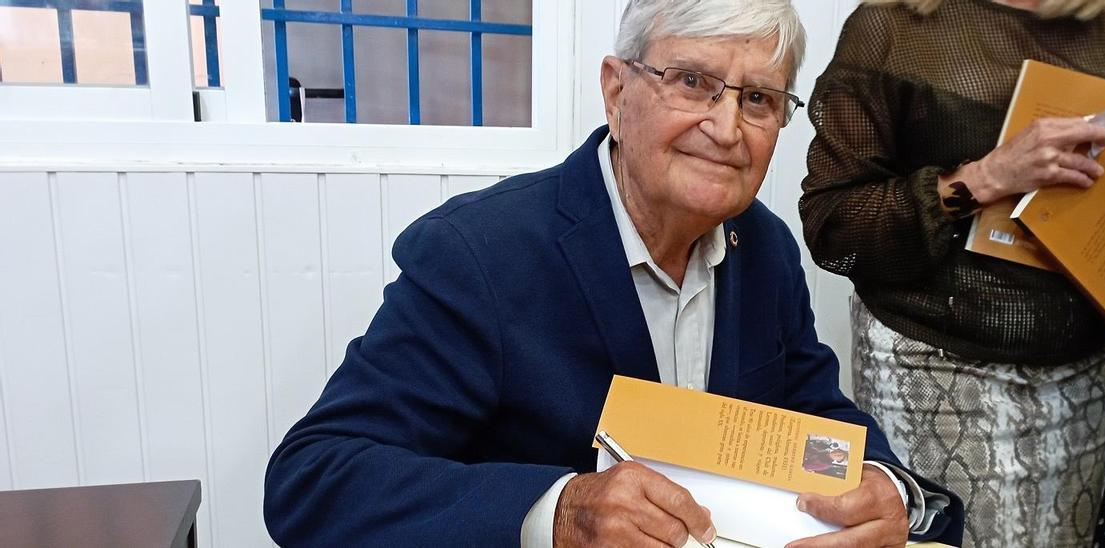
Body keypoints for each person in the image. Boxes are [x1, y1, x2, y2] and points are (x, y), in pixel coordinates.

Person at [263, 1, 964, 547]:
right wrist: (556, 513)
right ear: (614, 91)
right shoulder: (480, 254)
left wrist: (887, 487)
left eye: (758, 100)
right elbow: (316, 477)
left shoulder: (766, 249)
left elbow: (814, 416)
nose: (727, 128)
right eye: (694, 82)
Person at [798, 0, 1105, 546]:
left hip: (1086, 372)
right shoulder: (894, 23)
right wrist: (986, 177)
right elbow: (834, 222)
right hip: (936, 363)